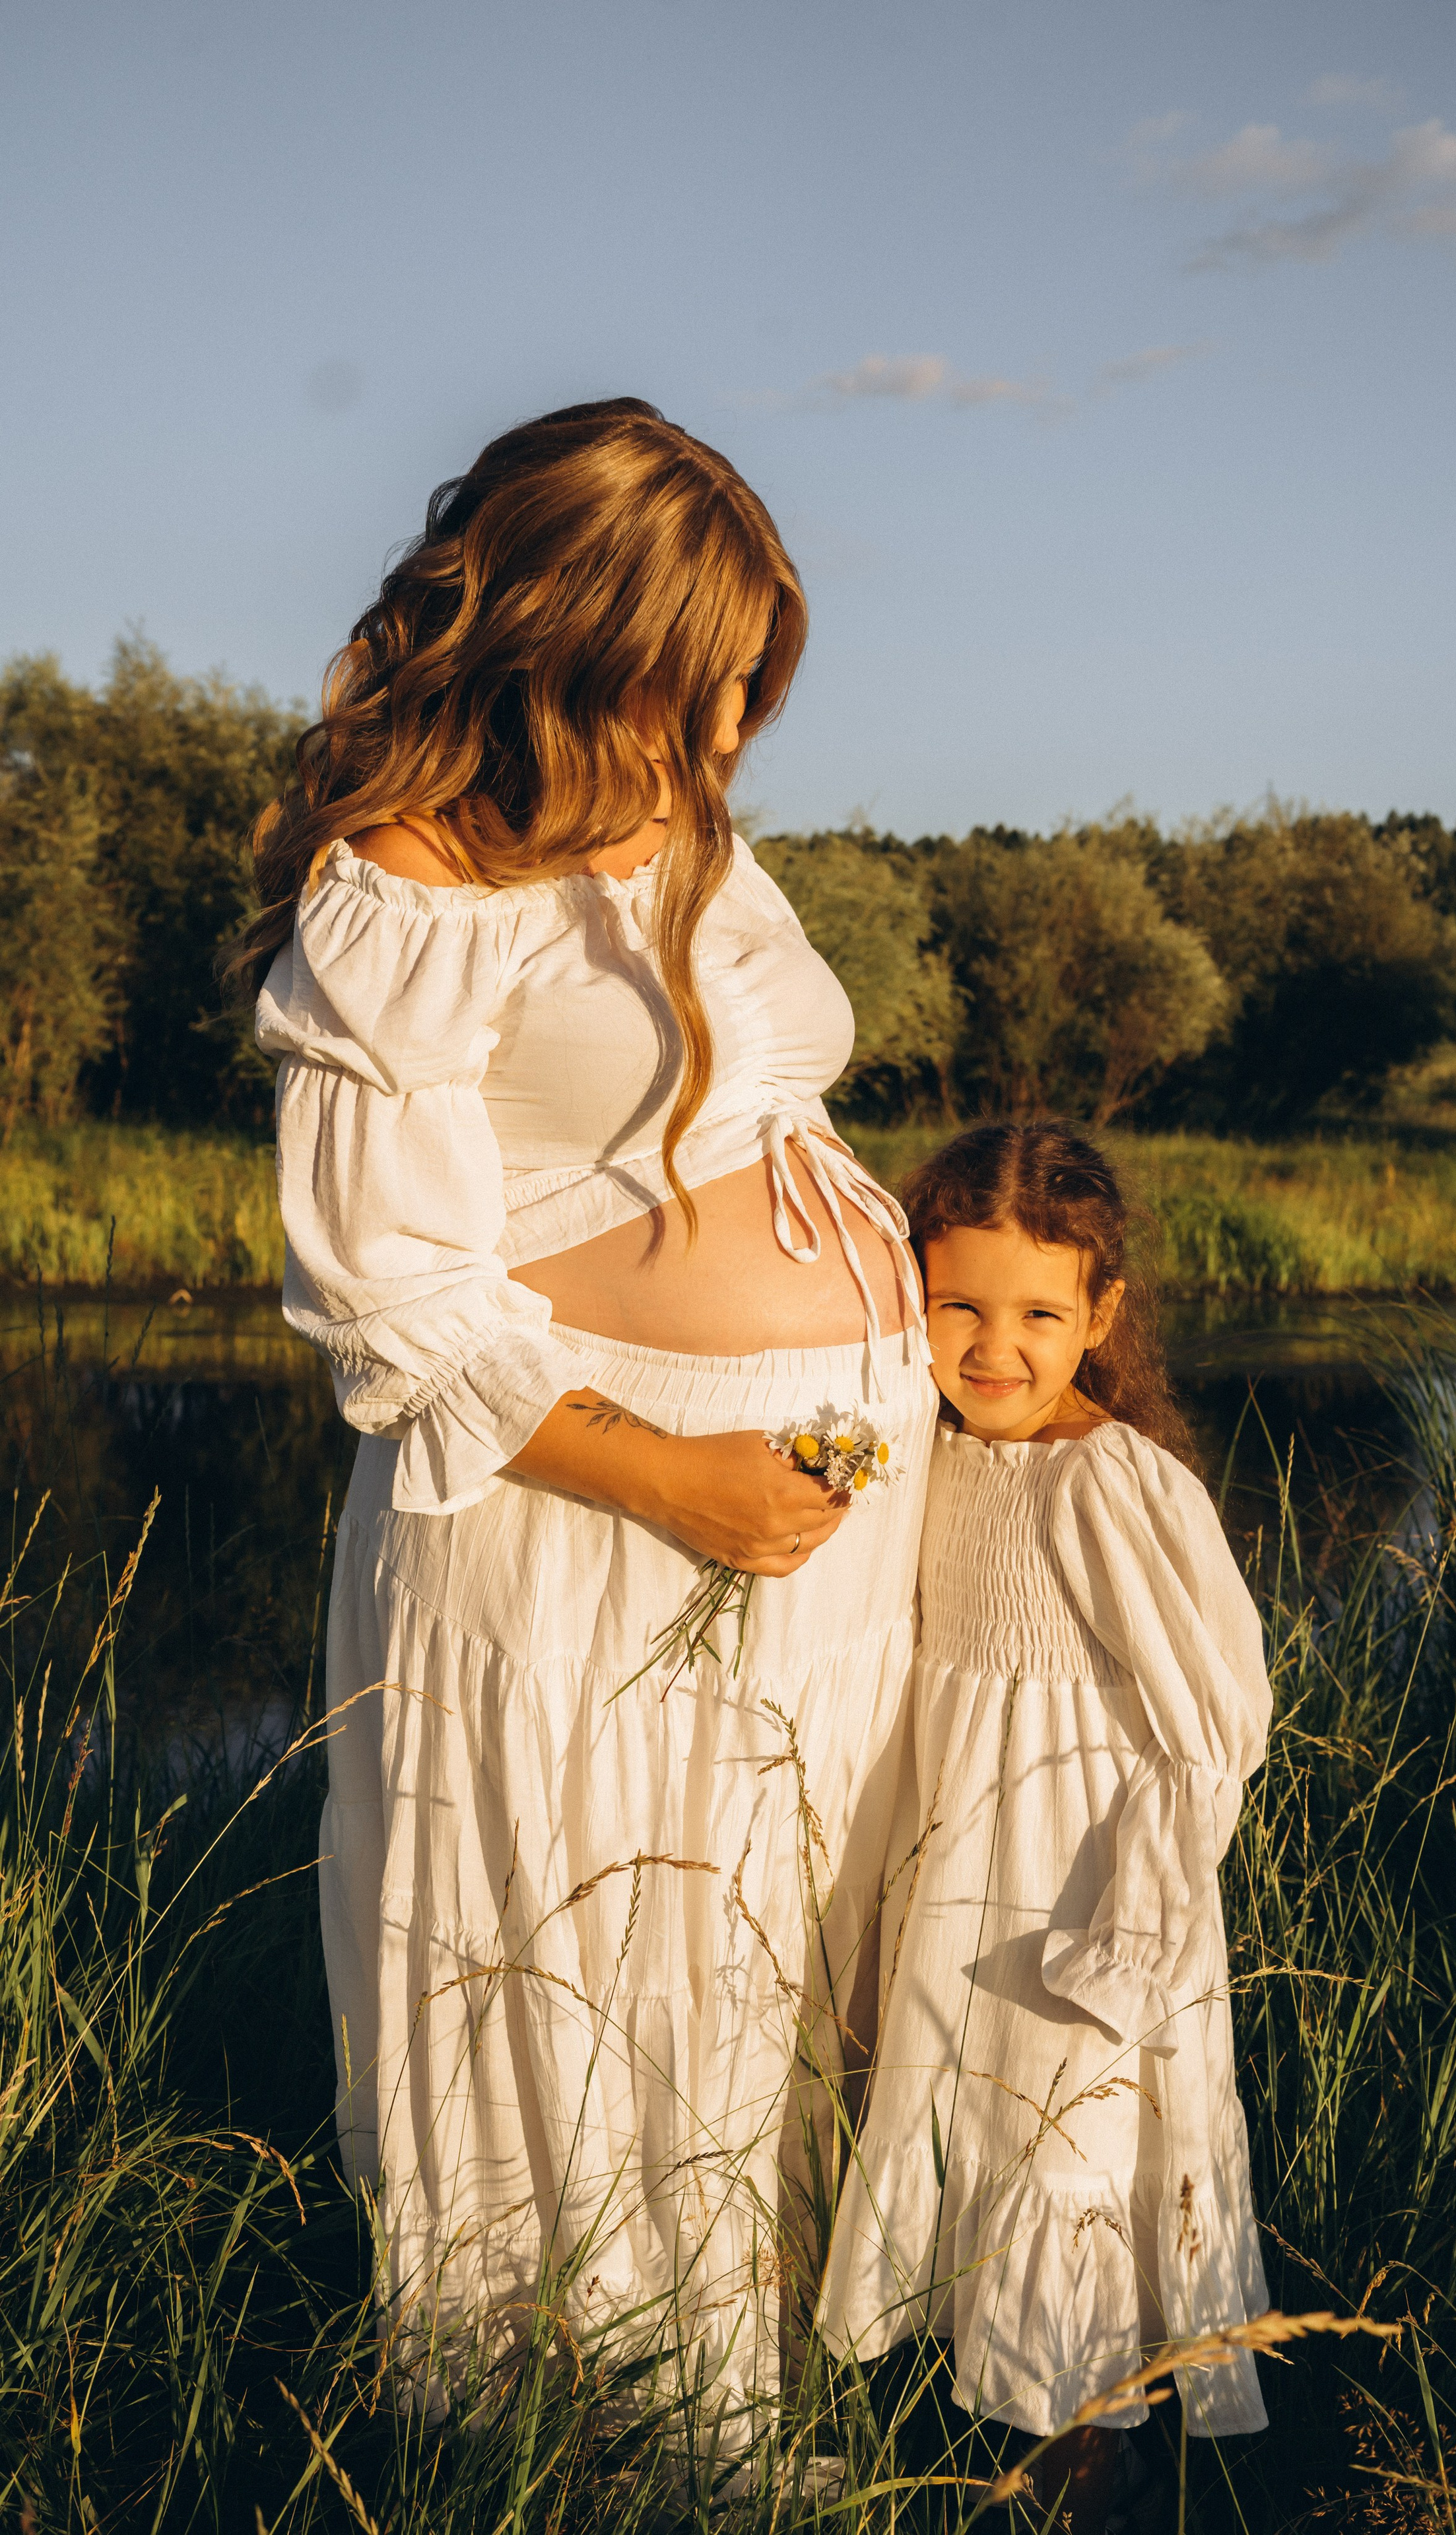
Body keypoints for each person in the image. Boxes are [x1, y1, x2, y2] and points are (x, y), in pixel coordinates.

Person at [224, 400, 934, 2432]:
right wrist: (677, 1475)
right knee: (606, 1964)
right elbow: (388, 1293)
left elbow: (749, 1115)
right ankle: (598, 2435)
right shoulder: (405, 882)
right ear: (560, 629)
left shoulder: (686, 821)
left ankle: (792, 2376)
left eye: (746, 691)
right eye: (694, 680)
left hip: (806, 1508)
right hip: (590, 1522)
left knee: (770, 1955)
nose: (726, 734)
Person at [818, 1122, 1272, 2532]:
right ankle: (979, 2435)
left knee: (1057, 2151)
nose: (993, 1349)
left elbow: (1214, 1721)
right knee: (956, 2122)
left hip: (1070, 1885)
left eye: (1036, 1314)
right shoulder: (923, 1453)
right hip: (950, 1864)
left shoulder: (1113, 1484)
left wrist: (1123, 1936)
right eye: (957, 1307)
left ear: (1100, 1316)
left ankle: (1081, 2476)